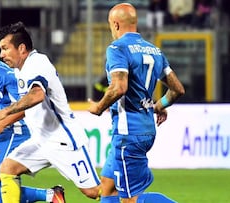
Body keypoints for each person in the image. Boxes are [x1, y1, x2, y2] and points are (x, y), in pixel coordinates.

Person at [0, 22, 101, 203]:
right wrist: (4, 122)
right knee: (7, 169)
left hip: (64, 141)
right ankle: (53, 197)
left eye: (5, 48)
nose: (2, 54)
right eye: (0, 49)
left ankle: (139, 199)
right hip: (41, 141)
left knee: (94, 191)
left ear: (21, 48)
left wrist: (3, 114)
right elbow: (27, 105)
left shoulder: (37, 63)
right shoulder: (20, 71)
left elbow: (37, 95)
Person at [88, 3, 185, 203]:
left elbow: (119, 87)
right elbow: (177, 89)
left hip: (129, 133)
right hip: (142, 129)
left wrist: (98, 107)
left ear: (115, 24)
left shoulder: (117, 48)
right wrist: (159, 106)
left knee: (129, 199)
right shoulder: (154, 51)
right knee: (107, 186)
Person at [0, 26, 65, 203]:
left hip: (15, 131)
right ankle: (51, 196)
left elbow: (24, 106)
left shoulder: (7, 74)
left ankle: (50, 196)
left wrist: (3, 122)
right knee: (0, 183)